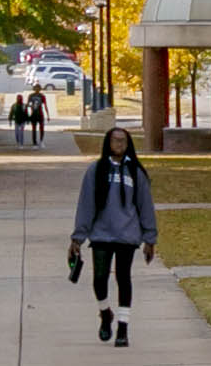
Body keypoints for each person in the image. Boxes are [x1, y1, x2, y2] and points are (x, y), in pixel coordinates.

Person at [70, 124, 160, 346]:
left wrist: (150, 239)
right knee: (99, 279)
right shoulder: (96, 170)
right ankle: (105, 313)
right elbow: (86, 205)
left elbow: (145, 206)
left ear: (128, 145)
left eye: (123, 141)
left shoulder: (136, 173)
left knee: (123, 278)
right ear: (108, 143)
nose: (119, 144)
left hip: (127, 235)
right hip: (101, 233)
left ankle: (123, 328)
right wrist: (77, 238)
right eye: (115, 140)